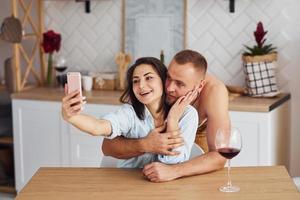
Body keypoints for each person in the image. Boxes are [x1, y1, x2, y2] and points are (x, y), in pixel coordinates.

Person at [102, 50, 230, 182]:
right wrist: (145, 144)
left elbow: (221, 155)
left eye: (180, 84)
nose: (169, 88)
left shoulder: (214, 92)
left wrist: (175, 171)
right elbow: (107, 146)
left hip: (197, 156)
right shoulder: (151, 87)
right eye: (168, 77)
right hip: (145, 167)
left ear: (199, 86)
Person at [61, 57, 200, 168]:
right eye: (135, 81)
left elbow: (174, 162)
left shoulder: (187, 115)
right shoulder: (129, 113)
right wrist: (71, 116)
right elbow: (98, 127)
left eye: (149, 78)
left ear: (163, 81)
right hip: (126, 184)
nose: (141, 86)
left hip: (166, 188)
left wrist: (173, 119)